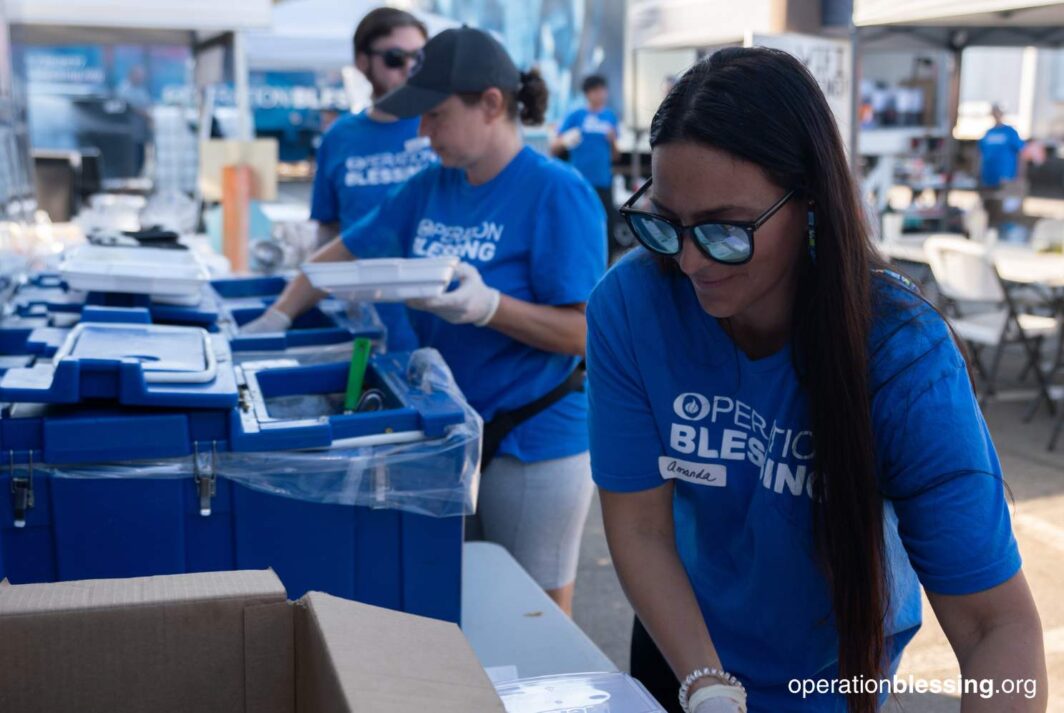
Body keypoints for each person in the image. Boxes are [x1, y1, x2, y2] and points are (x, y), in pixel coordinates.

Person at [587, 48, 1046, 713]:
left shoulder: (902, 355)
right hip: (685, 647)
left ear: (808, 203)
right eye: (666, 221)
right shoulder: (630, 305)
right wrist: (704, 683)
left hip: (833, 679)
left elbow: (994, 625)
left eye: (725, 229)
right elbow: (640, 528)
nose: (688, 260)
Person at [254, 26, 606, 615]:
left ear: (491, 104)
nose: (422, 131)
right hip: (450, 430)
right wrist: (276, 314)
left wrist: (490, 307)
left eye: (436, 115)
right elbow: (345, 252)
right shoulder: (430, 186)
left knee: (535, 618)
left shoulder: (556, 192)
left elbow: (587, 334)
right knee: (456, 607)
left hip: (535, 437)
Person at [244, 7, 434, 348]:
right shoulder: (340, 137)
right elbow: (329, 235)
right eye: (395, 58)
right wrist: (294, 306)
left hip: (438, 318)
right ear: (363, 61)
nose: (408, 69)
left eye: (418, 59)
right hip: (367, 324)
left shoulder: (439, 128)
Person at [553, 75, 621, 260]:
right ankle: (576, 257)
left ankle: (606, 261)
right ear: (587, 93)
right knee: (578, 221)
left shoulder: (609, 117)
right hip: (580, 180)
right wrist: (566, 139)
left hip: (603, 181)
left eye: (603, 90)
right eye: (596, 90)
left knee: (605, 223)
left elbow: (616, 155)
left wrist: (613, 141)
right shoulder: (576, 116)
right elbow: (554, 146)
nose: (601, 94)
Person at [978, 104, 1025, 228]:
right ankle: (988, 227)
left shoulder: (1010, 132)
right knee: (988, 204)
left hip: (1006, 175)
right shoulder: (988, 133)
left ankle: (1002, 227)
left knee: (1004, 205)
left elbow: (1021, 153)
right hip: (988, 176)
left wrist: (1020, 175)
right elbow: (980, 154)